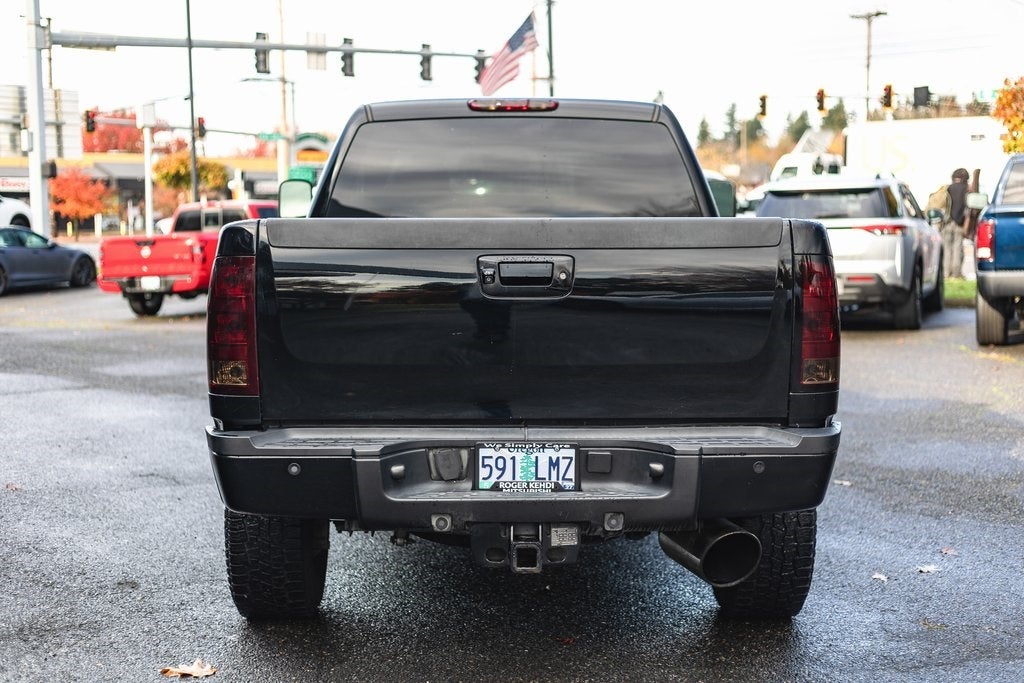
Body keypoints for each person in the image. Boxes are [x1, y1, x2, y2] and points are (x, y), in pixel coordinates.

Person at [941, 168, 970, 279]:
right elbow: (968, 208)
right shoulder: (966, 189)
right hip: (959, 223)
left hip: (947, 223)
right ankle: (956, 274)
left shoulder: (948, 189)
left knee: (947, 249)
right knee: (957, 248)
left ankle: (946, 273)